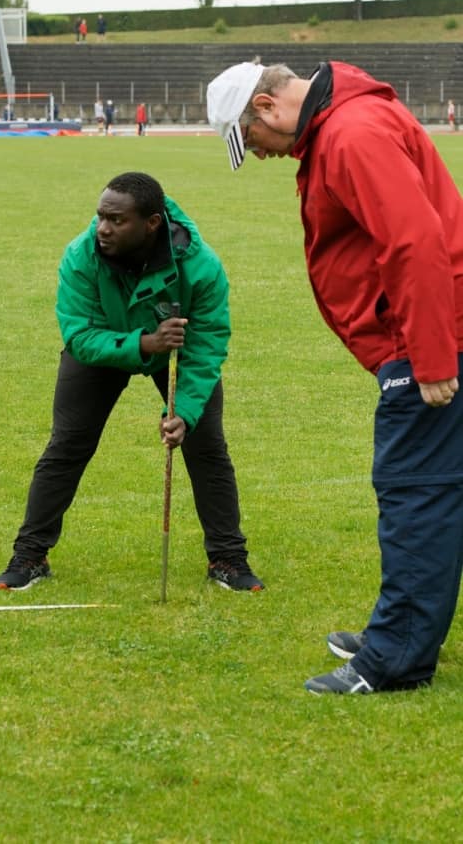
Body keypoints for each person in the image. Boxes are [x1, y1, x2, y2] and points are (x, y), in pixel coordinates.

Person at [207, 60, 463, 694]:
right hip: (426, 330)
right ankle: (404, 632)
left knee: (415, 494)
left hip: (429, 336)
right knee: (433, 492)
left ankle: (396, 657)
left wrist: (429, 358)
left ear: (266, 107)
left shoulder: (349, 133)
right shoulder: (345, 123)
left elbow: (413, 239)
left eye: (253, 140)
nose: (261, 156)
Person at [0, 171, 263, 594]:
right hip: (104, 348)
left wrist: (185, 414)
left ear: (151, 224)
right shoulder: (80, 256)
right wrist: (145, 342)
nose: (103, 228)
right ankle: (29, 556)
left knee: (206, 446)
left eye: (117, 220)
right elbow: (79, 336)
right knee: (66, 446)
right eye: (101, 216)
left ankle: (228, 558)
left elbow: (208, 344)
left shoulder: (201, 267)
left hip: (175, 352)